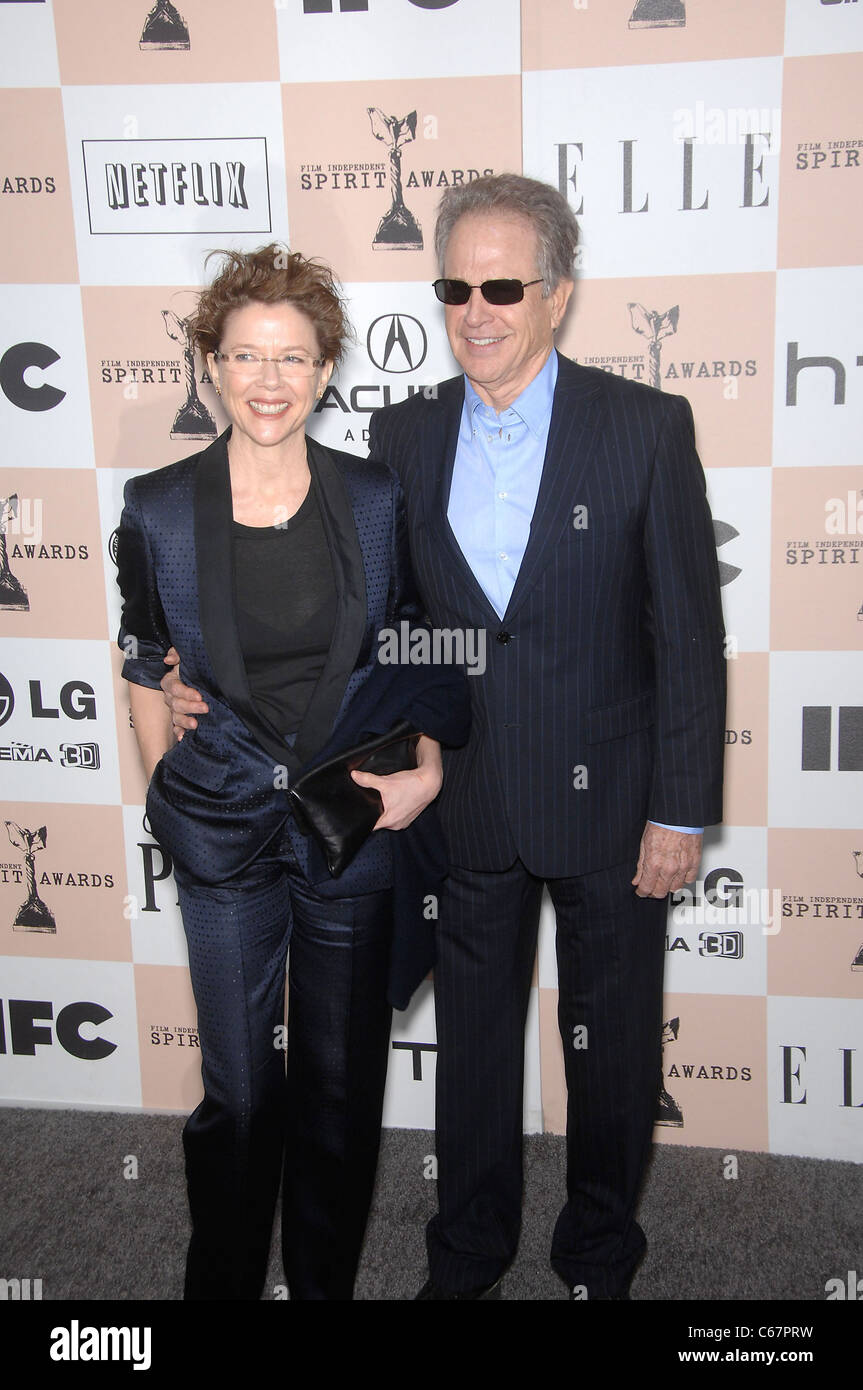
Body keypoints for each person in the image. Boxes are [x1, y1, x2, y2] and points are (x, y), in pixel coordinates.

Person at [164, 174, 726, 1301]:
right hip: (458, 795)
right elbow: (391, 623)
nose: (476, 309)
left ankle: (596, 1256)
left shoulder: (644, 427)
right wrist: (203, 675)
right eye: (454, 285)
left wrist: (678, 809)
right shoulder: (402, 433)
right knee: (471, 1050)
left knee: (607, 1050)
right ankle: (466, 1252)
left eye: (503, 285)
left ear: (555, 295)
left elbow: (687, 635)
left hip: (611, 801)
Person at [114, 244, 469, 1301]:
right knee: (238, 1090)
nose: (268, 380)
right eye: (245, 356)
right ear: (211, 365)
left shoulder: (370, 498)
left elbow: (419, 644)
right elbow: (141, 659)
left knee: (335, 1086)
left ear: (324, 373)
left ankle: (321, 1290)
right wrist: (164, 794)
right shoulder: (159, 507)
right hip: (219, 828)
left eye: (293, 359)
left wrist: (431, 766)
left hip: (347, 826)